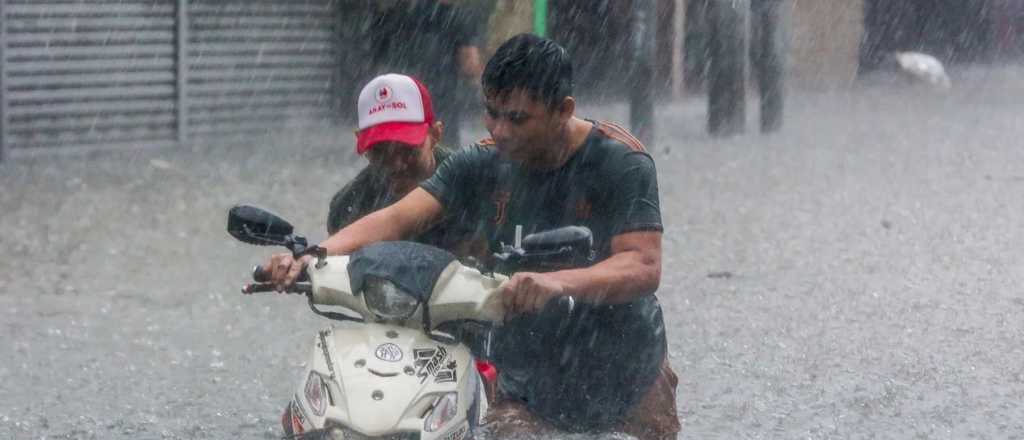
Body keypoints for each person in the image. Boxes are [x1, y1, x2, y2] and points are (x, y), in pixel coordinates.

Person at [267, 33, 680, 439]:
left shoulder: (621, 161)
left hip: (626, 368)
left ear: (563, 110)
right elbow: (396, 218)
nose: (500, 130)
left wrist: (556, 282)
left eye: (517, 118)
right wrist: (310, 256)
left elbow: (643, 264)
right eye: (491, 113)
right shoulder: (480, 163)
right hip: (524, 373)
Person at [327, 72, 471, 253]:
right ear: (360, 140)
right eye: (380, 152)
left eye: (408, 150)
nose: (396, 165)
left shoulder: (473, 186)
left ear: (435, 134)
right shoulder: (348, 206)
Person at [370, 0, 484, 148]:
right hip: (440, 105)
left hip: (399, 104)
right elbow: (469, 64)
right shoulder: (454, 16)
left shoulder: (400, 12)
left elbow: (379, 55)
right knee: (441, 155)